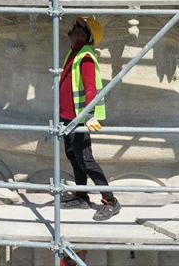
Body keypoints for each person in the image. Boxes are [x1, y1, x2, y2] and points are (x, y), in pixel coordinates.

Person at [57, 16, 120, 221]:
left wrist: (91, 116)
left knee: (86, 159)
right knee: (73, 156)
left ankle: (110, 201)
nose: (71, 29)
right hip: (68, 117)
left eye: (76, 28)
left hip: (81, 118)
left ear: (85, 34)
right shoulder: (74, 51)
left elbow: (90, 87)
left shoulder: (85, 55)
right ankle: (82, 195)